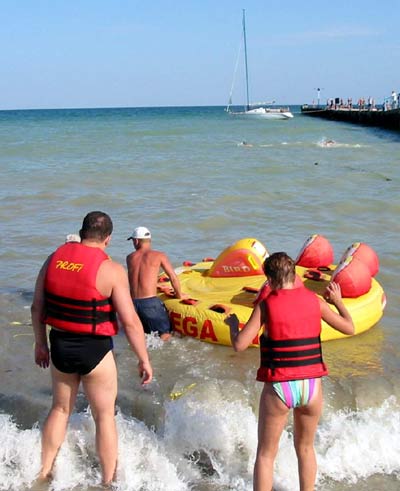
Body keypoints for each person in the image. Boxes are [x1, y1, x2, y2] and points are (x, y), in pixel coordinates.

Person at [31, 211, 153, 486]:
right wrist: (143, 359)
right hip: (95, 350)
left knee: (60, 410)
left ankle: (43, 472)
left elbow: (37, 307)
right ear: (108, 239)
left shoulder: (53, 259)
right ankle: (108, 481)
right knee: (104, 416)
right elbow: (130, 322)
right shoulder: (112, 270)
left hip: (60, 345)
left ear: (81, 232)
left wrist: (40, 344)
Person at [225, 252, 354, 491]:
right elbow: (349, 327)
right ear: (295, 275)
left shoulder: (266, 305)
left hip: (280, 387)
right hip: (312, 388)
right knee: (305, 449)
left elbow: (240, 345)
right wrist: (338, 301)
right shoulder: (316, 301)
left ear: (269, 280)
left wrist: (233, 326)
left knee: (266, 455)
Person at [126, 226, 184, 341]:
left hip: (132, 304)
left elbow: (136, 279)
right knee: (165, 335)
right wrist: (179, 296)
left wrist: (156, 285)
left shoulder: (130, 258)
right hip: (150, 304)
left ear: (136, 241)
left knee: (142, 336)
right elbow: (173, 277)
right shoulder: (159, 255)